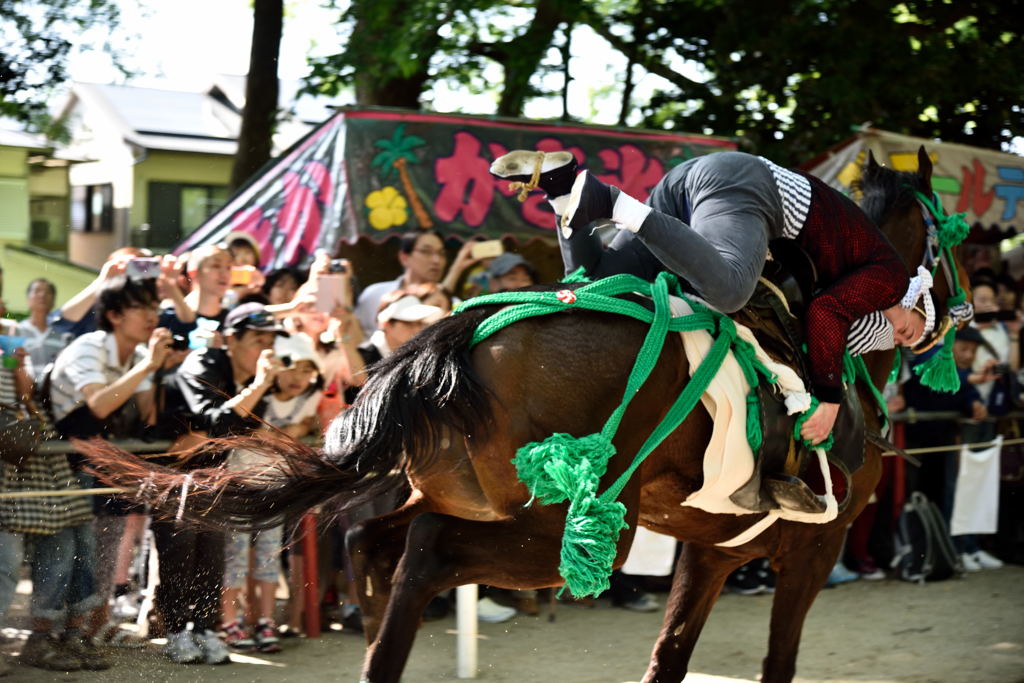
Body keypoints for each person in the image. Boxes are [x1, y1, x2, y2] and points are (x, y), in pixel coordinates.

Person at [490, 149, 921, 446]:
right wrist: (828, 401)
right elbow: (828, 313)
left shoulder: (863, 287)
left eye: (905, 342)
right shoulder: (893, 277)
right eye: (911, 328)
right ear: (916, 301)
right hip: (747, 185)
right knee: (731, 289)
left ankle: (562, 187)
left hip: (691, 188)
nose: (900, 335)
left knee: (594, 283)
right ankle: (610, 201)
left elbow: (834, 320)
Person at [153, 302, 288, 665]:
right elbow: (214, 421)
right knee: (179, 554)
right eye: (258, 339)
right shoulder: (204, 363)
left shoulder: (247, 380)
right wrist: (258, 386)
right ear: (231, 339)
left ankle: (206, 628)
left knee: (213, 558)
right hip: (171, 475)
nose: (267, 350)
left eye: (272, 340)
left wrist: (249, 396)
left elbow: (240, 429)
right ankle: (177, 631)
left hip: (213, 477)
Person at [221, 332, 323, 654]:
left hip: (275, 486)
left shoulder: (310, 398)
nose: (300, 378)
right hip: (238, 485)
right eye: (293, 368)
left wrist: (292, 431)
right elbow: (249, 434)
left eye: (308, 371)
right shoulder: (255, 393)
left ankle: (264, 621)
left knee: (267, 556)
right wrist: (287, 433)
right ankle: (230, 621)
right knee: (233, 558)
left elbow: (287, 431)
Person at [354, 231, 449, 336]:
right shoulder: (374, 294)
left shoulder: (450, 303)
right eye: (426, 251)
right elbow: (358, 336)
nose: (437, 260)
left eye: (442, 253)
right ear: (404, 257)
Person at [16, 278, 68, 374]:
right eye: (37, 291)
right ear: (28, 300)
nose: (42, 295)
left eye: (47, 292)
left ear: (53, 302)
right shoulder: (16, 331)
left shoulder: (62, 337)